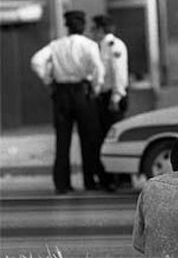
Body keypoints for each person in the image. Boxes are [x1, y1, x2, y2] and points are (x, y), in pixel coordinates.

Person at [31, 10, 111, 194]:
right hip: (82, 92)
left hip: (61, 93)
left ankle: (62, 184)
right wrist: (96, 87)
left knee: (62, 140)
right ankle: (89, 180)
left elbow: (36, 61)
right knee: (89, 138)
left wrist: (48, 80)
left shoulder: (56, 45)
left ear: (67, 26)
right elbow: (98, 68)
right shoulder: (89, 45)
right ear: (82, 26)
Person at [91, 14, 130, 188]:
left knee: (113, 138)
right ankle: (113, 178)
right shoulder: (100, 46)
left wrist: (115, 97)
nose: (91, 32)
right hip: (104, 97)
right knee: (105, 137)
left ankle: (118, 179)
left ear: (100, 29)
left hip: (113, 96)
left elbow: (119, 73)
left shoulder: (114, 46)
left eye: (93, 28)